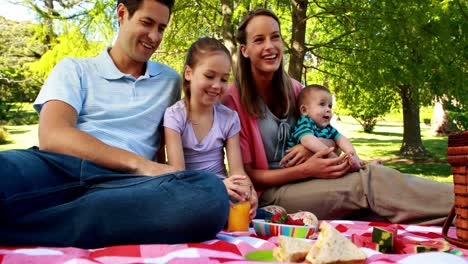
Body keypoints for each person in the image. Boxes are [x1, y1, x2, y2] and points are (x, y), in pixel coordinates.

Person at [0, 0, 229, 249]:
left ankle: (21, 227)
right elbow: (53, 136)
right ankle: (86, 221)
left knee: (211, 195)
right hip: (60, 167)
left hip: (127, 187)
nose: (154, 36)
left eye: (161, 28)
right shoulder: (75, 68)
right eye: (147, 22)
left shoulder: (169, 81)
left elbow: (201, 119)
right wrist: (139, 164)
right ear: (122, 13)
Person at [223, 8, 453, 225]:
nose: (270, 46)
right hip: (271, 195)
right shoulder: (233, 99)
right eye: (259, 40)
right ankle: (459, 205)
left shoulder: (294, 89)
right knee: (366, 186)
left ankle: (457, 211)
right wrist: (306, 169)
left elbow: (328, 133)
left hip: (311, 179)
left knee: (375, 175)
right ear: (244, 50)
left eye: (275, 37)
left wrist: (310, 147)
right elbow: (247, 174)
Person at [163, 37, 258, 219]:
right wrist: (216, 187)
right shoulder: (175, 115)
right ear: (189, 73)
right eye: (209, 76)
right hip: (189, 189)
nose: (217, 86)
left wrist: (249, 190)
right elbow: (178, 174)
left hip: (224, 189)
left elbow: (237, 172)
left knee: (241, 204)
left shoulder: (229, 118)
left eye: (224, 79)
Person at [287, 84, 367, 172]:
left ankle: (355, 163)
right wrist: (331, 155)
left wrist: (353, 155)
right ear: (304, 110)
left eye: (330, 106)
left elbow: (341, 139)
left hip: (317, 167)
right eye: (322, 104)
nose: (328, 109)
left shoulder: (328, 128)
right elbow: (308, 140)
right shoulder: (305, 123)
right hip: (298, 169)